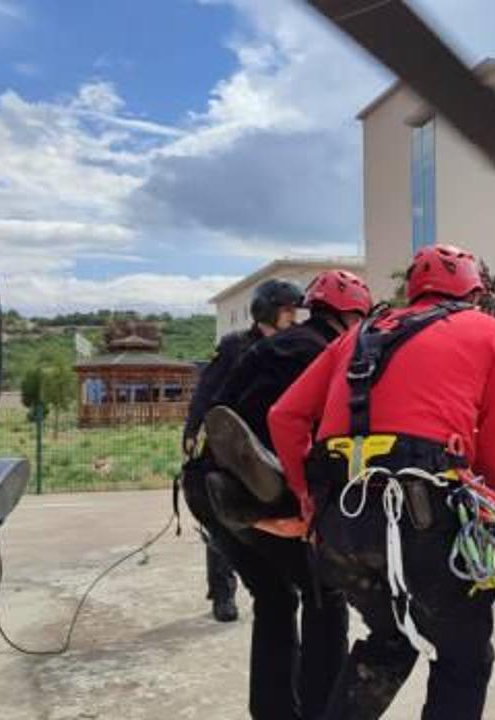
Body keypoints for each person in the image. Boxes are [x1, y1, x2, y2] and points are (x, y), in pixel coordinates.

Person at [269, 244, 495, 720]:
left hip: (342, 522)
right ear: (473, 292)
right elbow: (493, 451)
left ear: (414, 290)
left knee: (389, 640)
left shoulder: (357, 336)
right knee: (464, 656)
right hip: (426, 517)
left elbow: (284, 416)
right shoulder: (492, 331)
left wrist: (307, 499)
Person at [204, 269, 372, 720]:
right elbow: (317, 430)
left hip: (208, 489)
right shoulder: (332, 353)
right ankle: (321, 711)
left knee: (275, 598)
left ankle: (273, 711)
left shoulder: (265, 347)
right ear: (351, 316)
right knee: (324, 593)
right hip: (257, 491)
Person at [181, 278, 303, 622]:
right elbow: (206, 392)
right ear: (268, 311)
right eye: (287, 310)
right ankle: (222, 592)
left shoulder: (291, 347)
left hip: (266, 451)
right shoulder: (236, 346)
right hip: (230, 451)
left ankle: (275, 582)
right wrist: (192, 431)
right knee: (225, 519)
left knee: (262, 522)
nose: (294, 316)